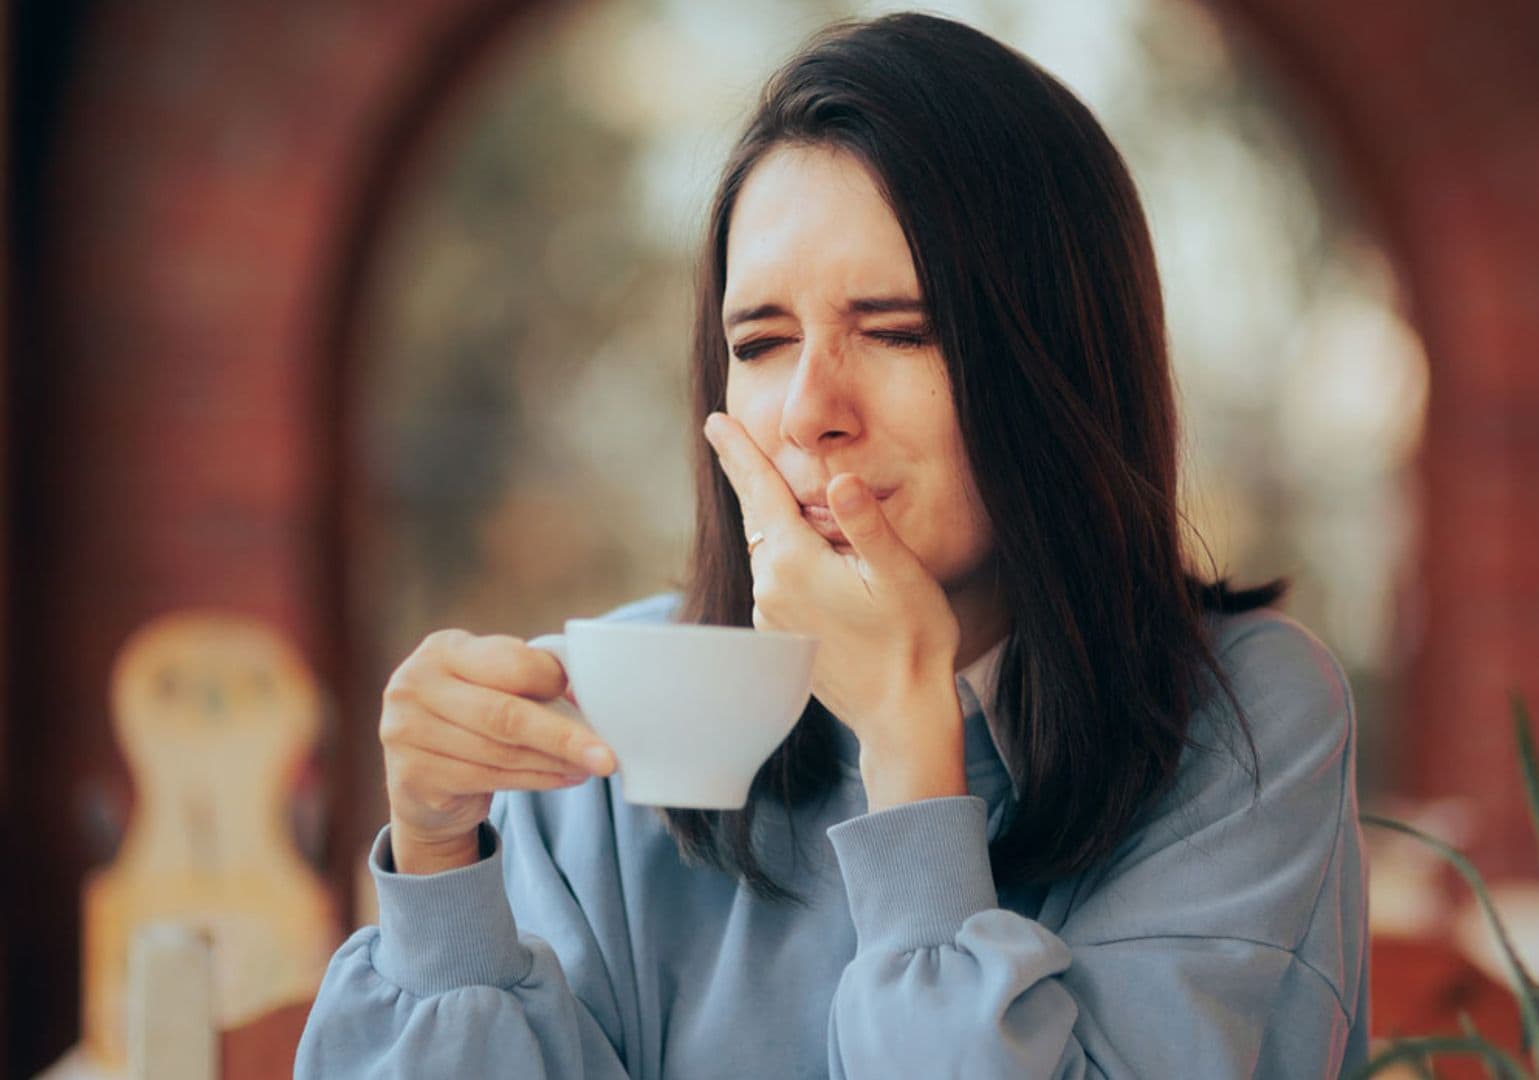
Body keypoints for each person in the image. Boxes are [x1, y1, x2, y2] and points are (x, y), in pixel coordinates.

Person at [296, 12, 1368, 1078]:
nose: (811, 409)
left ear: (1064, 363)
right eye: (759, 342)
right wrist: (440, 872)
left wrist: (908, 750)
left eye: (900, 330)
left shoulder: (1242, 718)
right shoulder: (605, 714)